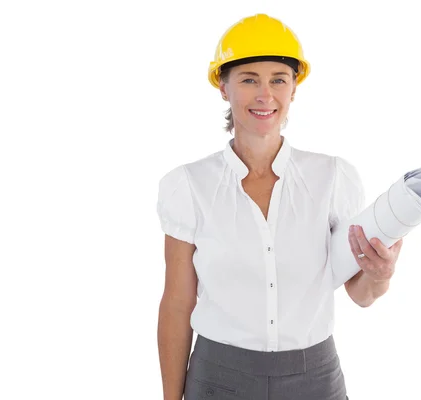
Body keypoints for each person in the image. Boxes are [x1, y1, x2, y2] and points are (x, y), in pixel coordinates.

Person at [156, 13, 403, 400]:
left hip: (315, 380)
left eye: (278, 80)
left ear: (294, 88)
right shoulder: (188, 186)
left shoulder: (333, 178)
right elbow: (177, 302)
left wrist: (381, 273)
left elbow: (360, 293)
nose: (265, 94)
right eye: (249, 79)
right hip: (218, 378)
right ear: (224, 86)